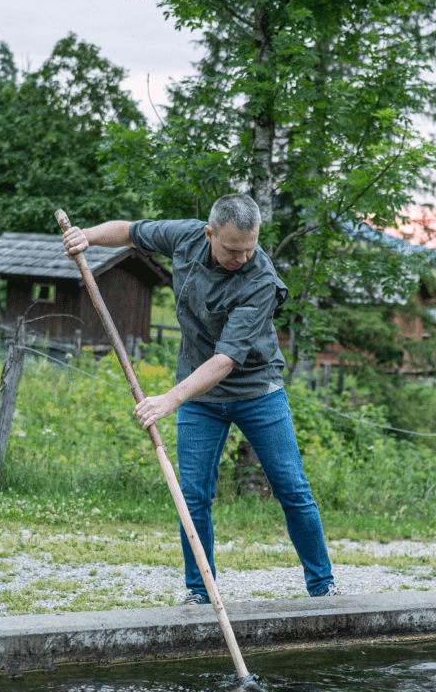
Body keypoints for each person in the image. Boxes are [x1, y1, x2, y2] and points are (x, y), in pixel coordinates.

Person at [61, 193, 340, 603]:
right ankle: (200, 593)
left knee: (292, 488)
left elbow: (225, 360)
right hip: (199, 394)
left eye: (250, 248)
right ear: (209, 234)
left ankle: (323, 588)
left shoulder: (261, 280)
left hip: (256, 390)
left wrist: (168, 400)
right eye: (232, 249)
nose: (243, 258)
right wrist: (86, 236)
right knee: (193, 495)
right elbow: (130, 232)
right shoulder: (185, 237)